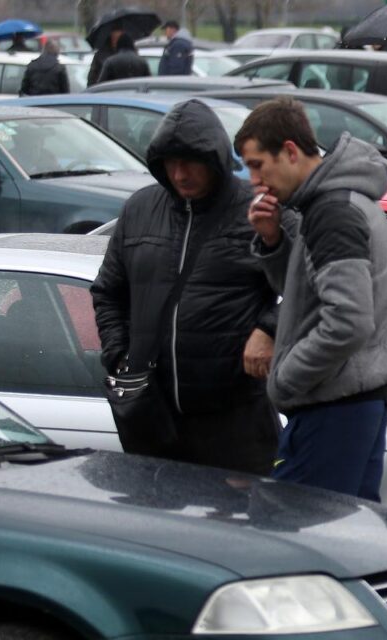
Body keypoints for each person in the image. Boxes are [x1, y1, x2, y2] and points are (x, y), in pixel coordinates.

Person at [90, 99, 280, 476]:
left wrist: (268, 329)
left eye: (191, 161)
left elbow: (303, 286)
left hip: (234, 419)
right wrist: (120, 356)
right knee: (159, 529)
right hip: (151, 416)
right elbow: (108, 292)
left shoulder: (258, 211)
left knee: (237, 527)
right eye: (170, 163)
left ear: (215, 159)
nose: (180, 173)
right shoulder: (140, 209)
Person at [236, 97, 387, 501]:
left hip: (334, 405)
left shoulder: (332, 211)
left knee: (297, 530)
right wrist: (274, 240)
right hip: (353, 401)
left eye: (258, 165)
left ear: (290, 151)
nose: (254, 180)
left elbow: (348, 321)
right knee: (348, 535)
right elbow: (303, 298)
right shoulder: (331, 203)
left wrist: (287, 378)